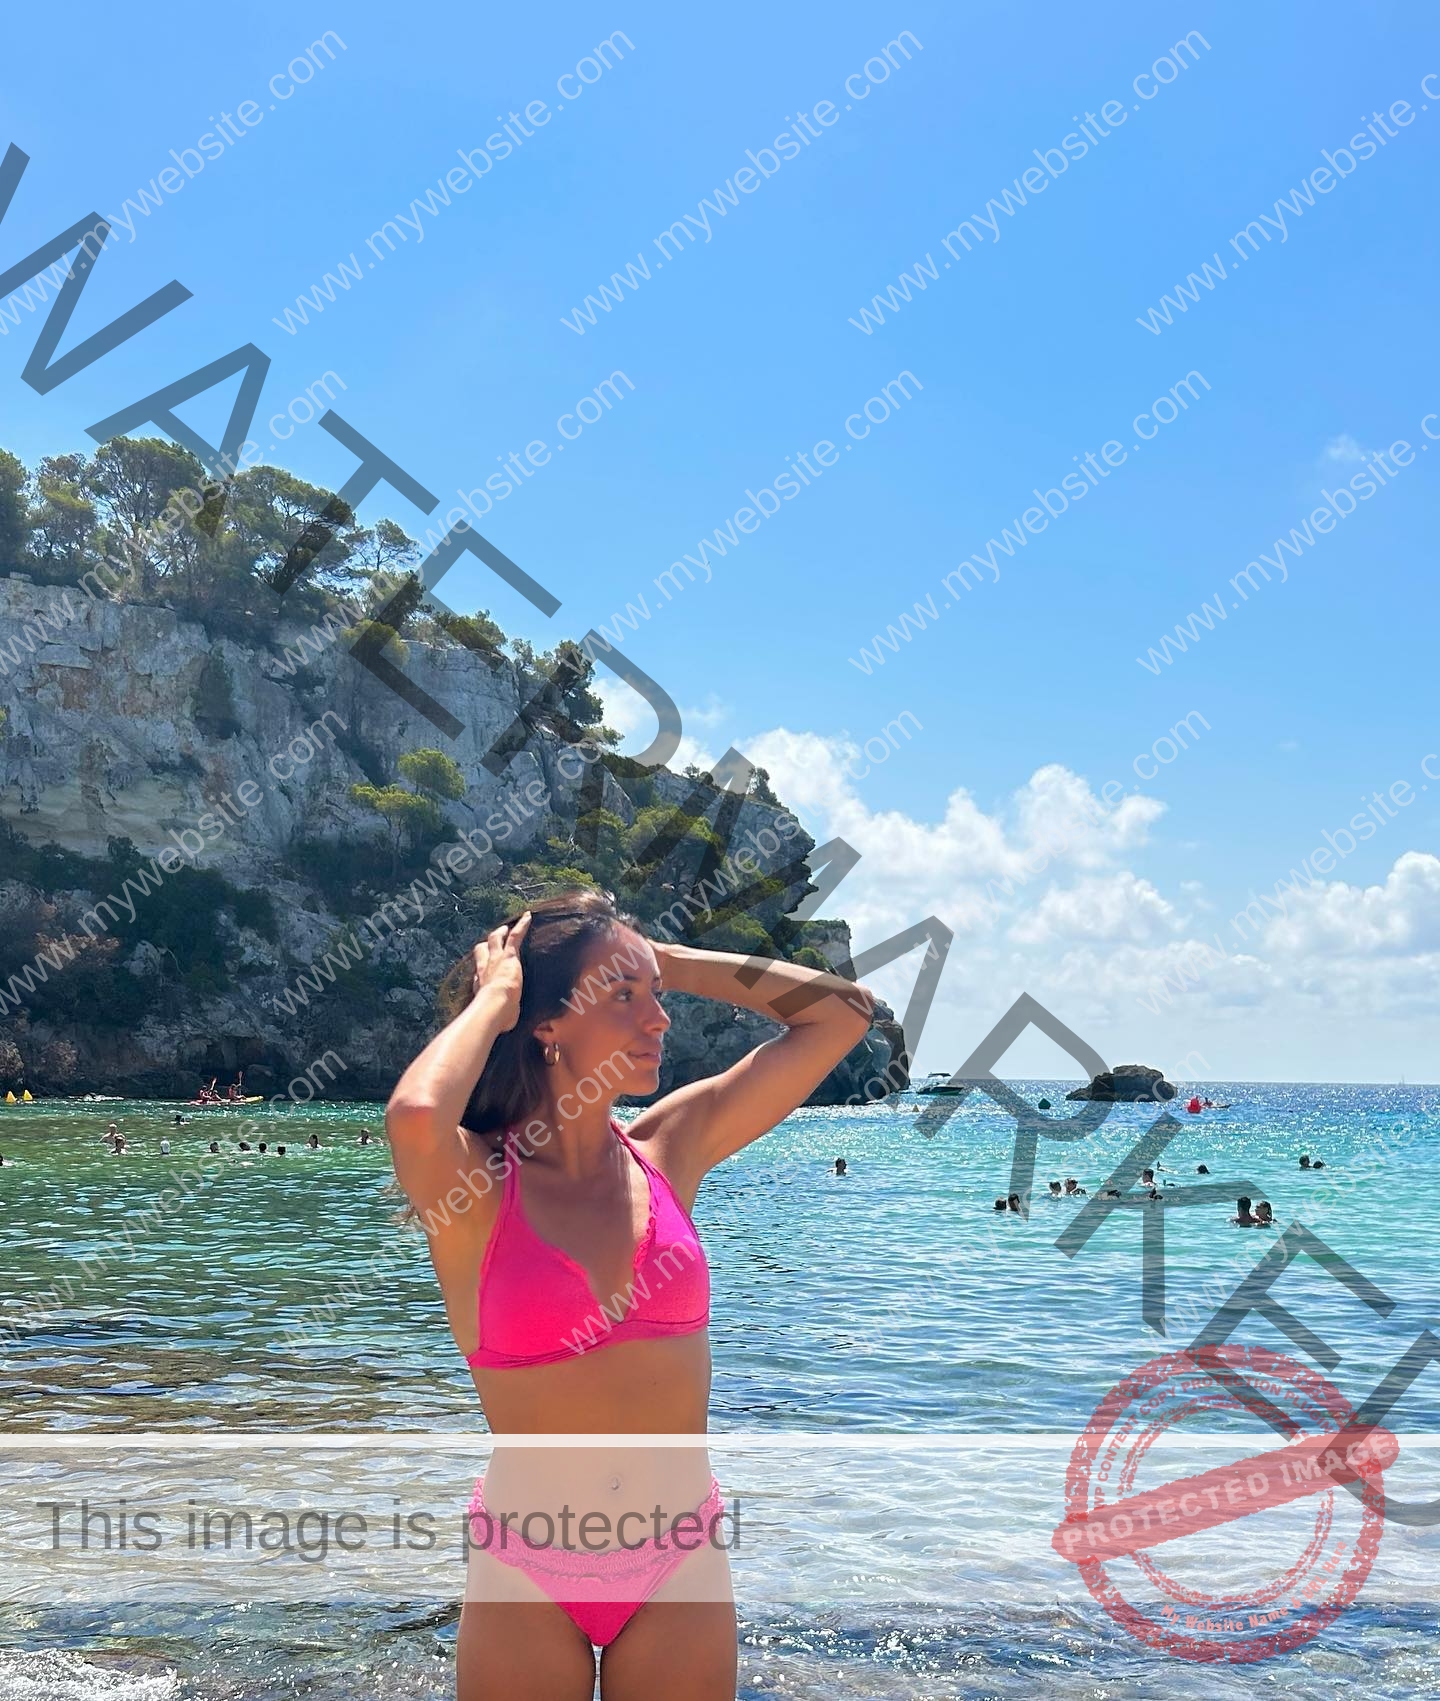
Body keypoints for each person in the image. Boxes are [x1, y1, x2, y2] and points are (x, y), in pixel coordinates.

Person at [385, 891, 875, 1693]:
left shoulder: (670, 1148)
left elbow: (843, 1014)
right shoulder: (476, 1188)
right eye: (624, 996)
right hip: (528, 1561)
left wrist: (666, 961)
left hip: (676, 1554)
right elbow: (415, 1112)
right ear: (546, 1023)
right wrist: (500, 995)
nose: (659, 1017)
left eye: (655, 994)